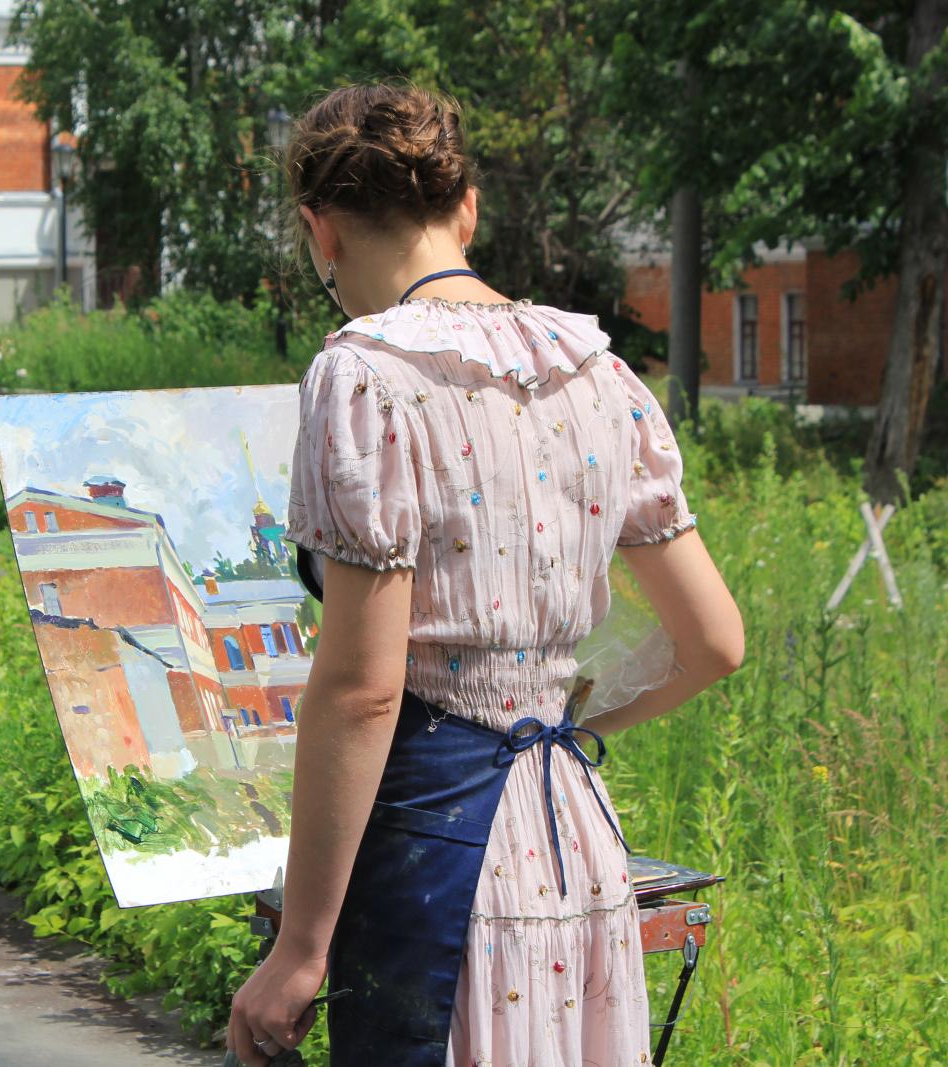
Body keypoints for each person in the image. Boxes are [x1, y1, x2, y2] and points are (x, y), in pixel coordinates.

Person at [224, 82, 745, 1067]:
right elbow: (714, 641)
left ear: (318, 231)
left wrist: (298, 947)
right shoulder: (600, 372)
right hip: (572, 846)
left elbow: (365, 687)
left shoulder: (363, 374)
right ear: (465, 209)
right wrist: (564, 726)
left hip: (433, 853)